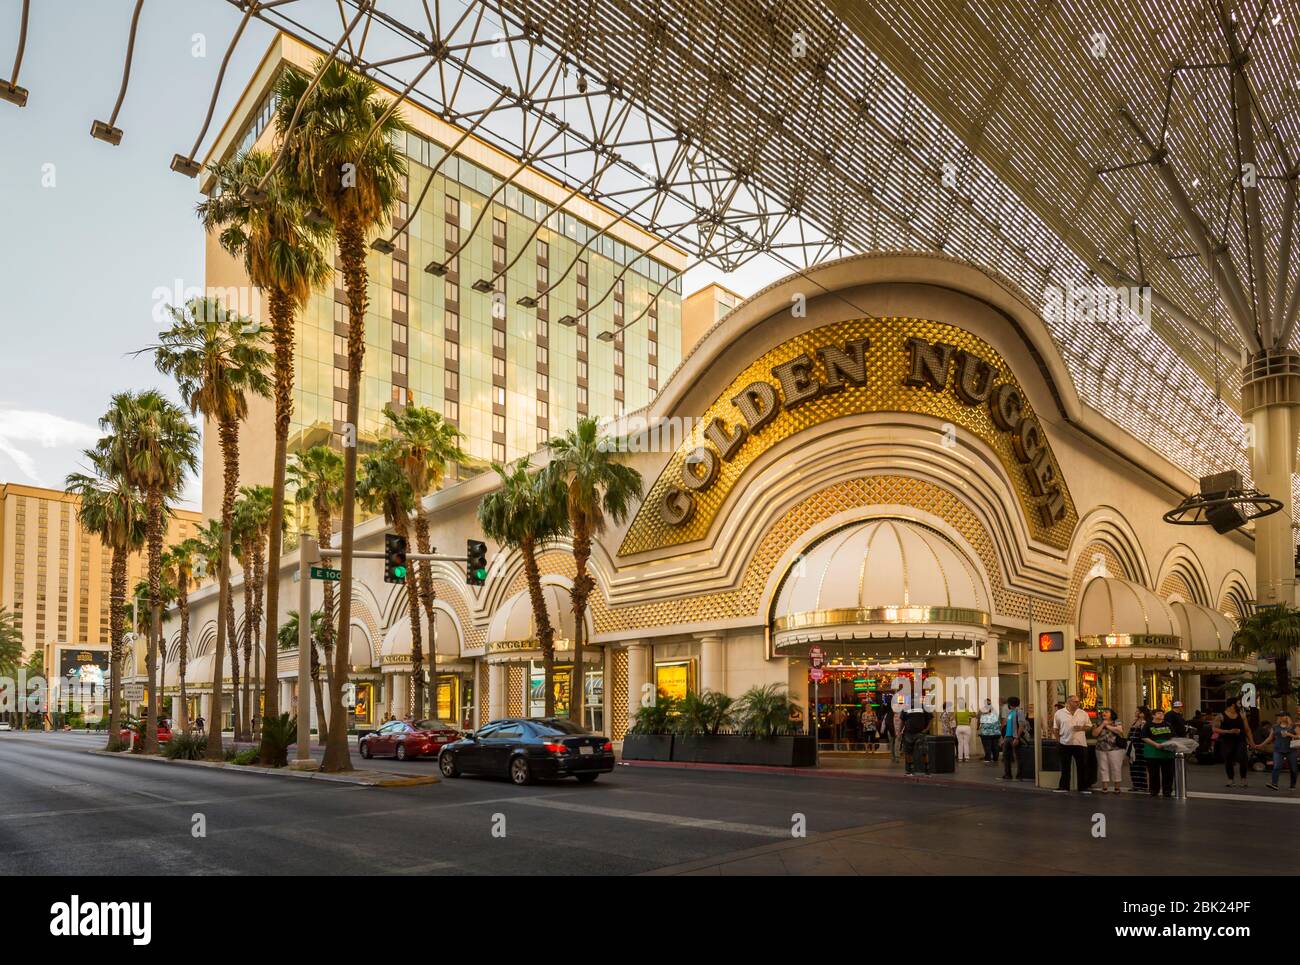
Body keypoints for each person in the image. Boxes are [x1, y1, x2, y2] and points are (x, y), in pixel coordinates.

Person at [1053, 694, 1092, 793]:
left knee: (1082, 766)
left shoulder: (1083, 713)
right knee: (1065, 767)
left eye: (1078, 701)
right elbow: (1055, 728)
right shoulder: (1059, 713)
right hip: (1065, 743)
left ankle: (1083, 787)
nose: (1078, 703)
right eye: (1075, 701)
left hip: (1080, 743)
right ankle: (1064, 787)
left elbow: (1089, 726)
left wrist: (1081, 728)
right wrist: (1058, 740)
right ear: (1069, 702)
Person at [1213, 699, 1253, 788]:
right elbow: (1215, 729)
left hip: (1240, 740)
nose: (1240, 704)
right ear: (1232, 705)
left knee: (1243, 758)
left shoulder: (1241, 714)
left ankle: (1243, 779)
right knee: (1228, 759)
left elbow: (1247, 729)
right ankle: (1230, 779)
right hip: (1227, 741)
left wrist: (1251, 742)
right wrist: (1229, 731)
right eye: (1238, 703)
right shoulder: (1221, 716)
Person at [1254, 712, 1298, 791]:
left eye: (1281, 716)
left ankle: (1293, 785)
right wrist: (1261, 745)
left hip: (1291, 750)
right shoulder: (1275, 727)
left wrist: (1289, 735)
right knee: (1276, 766)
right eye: (1279, 716)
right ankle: (1274, 784)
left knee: (1293, 769)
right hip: (1278, 750)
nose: (1279, 718)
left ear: (1287, 717)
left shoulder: (1293, 727)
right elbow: (1270, 738)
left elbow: (1299, 736)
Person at [1141, 708, 1176, 798]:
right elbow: (1144, 737)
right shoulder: (1148, 725)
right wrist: (1156, 744)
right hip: (1153, 752)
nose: (1161, 715)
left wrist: (1170, 744)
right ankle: (1154, 790)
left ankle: (1167, 790)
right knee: (1153, 773)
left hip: (1167, 752)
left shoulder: (1168, 725)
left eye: (1162, 714)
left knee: (1168, 773)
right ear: (1153, 715)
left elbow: (1173, 736)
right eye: (1159, 713)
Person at [1091, 708, 1126, 793]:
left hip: (1115, 748)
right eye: (1103, 712)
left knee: (1116, 767)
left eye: (1106, 712)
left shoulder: (1116, 721)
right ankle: (1105, 787)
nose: (1104, 713)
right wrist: (1102, 725)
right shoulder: (1098, 722)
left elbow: (1119, 731)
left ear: (1111, 714)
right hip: (1101, 748)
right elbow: (1094, 733)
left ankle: (1117, 787)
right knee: (1103, 768)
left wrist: (1107, 726)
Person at [999, 696, 1027, 780]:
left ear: (1010, 704)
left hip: (1014, 737)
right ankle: (1007, 774)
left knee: (1018, 757)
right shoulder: (1010, 712)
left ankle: (1020, 775)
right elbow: (1008, 726)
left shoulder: (1019, 712)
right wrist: (1003, 738)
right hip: (1008, 737)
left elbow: (1021, 725)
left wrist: (1017, 738)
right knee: (1006, 757)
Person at [901, 700, 933, 775]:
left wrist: (926, 729)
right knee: (908, 752)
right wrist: (900, 732)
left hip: (920, 733)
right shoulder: (906, 708)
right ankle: (911, 769)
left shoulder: (923, 707)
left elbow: (930, 718)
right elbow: (902, 721)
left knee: (924, 751)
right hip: (908, 733)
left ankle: (927, 768)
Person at [1127, 708, 1149, 793]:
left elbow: (1144, 733)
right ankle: (1136, 785)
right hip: (1133, 746)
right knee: (1134, 766)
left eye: (1137, 711)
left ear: (1142, 713)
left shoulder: (1145, 722)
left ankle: (1145, 786)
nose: (1135, 712)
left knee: (1143, 766)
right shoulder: (1135, 721)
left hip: (1141, 746)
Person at [978, 700, 1000, 764]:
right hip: (996, 732)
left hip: (986, 733)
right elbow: (998, 723)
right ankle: (995, 758)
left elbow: (980, 722)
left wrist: (978, 729)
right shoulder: (995, 713)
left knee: (987, 746)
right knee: (995, 745)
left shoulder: (983, 714)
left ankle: (988, 758)